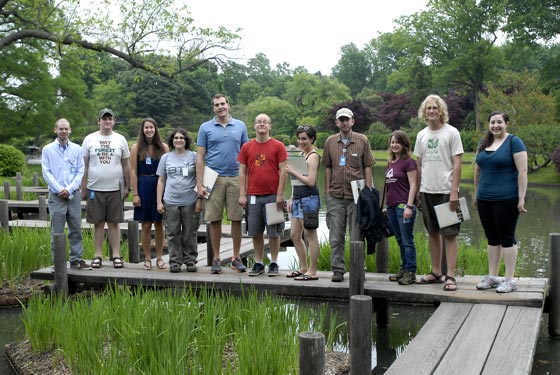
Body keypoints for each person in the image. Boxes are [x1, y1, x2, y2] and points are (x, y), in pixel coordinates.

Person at [414, 95, 464, 291]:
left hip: (446, 191)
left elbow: (458, 162)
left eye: (435, 108)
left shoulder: (452, 133)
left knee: (450, 234)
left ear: (441, 110)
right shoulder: (421, 135)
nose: (432, 111)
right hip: (427, 190)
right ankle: (436, 272)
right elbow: (419, 164)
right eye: (428, 109)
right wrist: (418, 190)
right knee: (432, 233)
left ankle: (450, 276)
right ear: (424, 112)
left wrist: (454, 191)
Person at [474, 111, 528, 293]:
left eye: (499, 122)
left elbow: (523, 172)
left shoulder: (514, 142)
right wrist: (476, 193)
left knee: (507, 238)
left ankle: (510, 279)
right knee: (492, 238)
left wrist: (521, 198)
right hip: (484, 199)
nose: (495, 125)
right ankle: (493, 277)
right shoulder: (484, 143)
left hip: (506, 199)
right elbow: (477, 170)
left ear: (506, 123)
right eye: (492, 122)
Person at [196, 94, 249, 274]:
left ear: (229, 105)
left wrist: (246, 185)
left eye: (223, 104)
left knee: (236, 218)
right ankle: (216, 258)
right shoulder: (205, 128)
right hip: (213, 178)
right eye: (217, 105)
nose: (220, 107)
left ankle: (236, 257)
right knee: (215, 219)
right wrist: (200, 184)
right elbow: (200, 157)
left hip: (235, 177)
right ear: (213, 108)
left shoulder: (240, 126)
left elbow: (246, 156)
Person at [322, 107, 375, 282]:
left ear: (352, 121)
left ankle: (358, 269)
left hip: (357, 196)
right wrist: (327, 190)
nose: (344, 123)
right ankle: (338, 269)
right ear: (336, 122)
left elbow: (367, 166)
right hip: (336, 195)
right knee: (336, 236)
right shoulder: (330, 142)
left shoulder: (362, 140)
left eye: (347, 119)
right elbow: (327, 167)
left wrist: (368, 191)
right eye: (341, 120)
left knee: (356, 236)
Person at [238, 113, 288, 277]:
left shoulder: (278, 146)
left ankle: (273, 262)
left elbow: (283, 172)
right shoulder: (247, 147)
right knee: (256, 231)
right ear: (254, 126)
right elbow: (242, 172)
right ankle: (259, 262)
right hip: (253, 196)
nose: (261, 124)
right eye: (258, 121)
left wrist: (280, 194)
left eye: (265, 122)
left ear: (270, 126)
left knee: (274, 231)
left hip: (273, 196)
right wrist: (242, 194)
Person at [81, 108, 131, 269]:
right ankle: (98, 255)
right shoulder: (89, 139)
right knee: (98, 223)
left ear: (114, 121)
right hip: (95, 187)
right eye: (104, 119)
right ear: (99, 121)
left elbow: (126, 165)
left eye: (110, 119)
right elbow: (85, 165)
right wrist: (83, 187)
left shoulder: (120, 139)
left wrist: (128, 186)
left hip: (115, 188)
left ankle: (116, 255)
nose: (107, 122)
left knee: (114, 223)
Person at [41, 118, 89, 269]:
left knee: (75, 227)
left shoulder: (76, 149)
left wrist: (69, 189)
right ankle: (58, 262)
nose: (63, 131)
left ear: (70, 130)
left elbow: (81, 170)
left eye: (66, 129)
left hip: (73, 194)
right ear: (55, 130)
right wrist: (59, 189)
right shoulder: (47, 149)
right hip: (56, 196)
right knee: (57, 230)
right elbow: (46, 172)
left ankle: (76, 259)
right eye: (61, 129)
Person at [156, 128, 203, 273]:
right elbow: (161, 180)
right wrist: (159, 201)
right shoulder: (166, 158)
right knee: (172, 232)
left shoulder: (194, 156)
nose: (178, 140)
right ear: (172, 141)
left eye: (181, 138)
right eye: (176, 138)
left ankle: (190, 260)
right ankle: (175, 261)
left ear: (186, 140)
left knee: (190, 232)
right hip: (170, 200)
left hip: (190, 200)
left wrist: (200, 200)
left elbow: (200, 179)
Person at [130, 118, 169, 270]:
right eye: (146, 128)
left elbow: (168, 169)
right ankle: (147, 258)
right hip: (144, 186)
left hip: (160, 186)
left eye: (151, 127)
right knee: (145, 225)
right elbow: (132, 171)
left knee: (159, 224)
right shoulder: (136, 147)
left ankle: (159, 257)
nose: (149, 130)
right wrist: (135, 194)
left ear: (155, 129)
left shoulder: (163, 147)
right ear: (142, 129)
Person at [285, 125, 321, 281]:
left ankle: (312, 271)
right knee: (294, 235)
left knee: (310, 235)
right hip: (298, 198)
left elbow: (311, 181)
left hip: (310, 199)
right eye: (299, 138)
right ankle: (303, 267)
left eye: (304, 139)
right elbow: (296, 182)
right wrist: (291, 198)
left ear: (312, 139)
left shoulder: (313, 156)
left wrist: (292, 171)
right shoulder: (300, 154)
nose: (301, 141)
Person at [384, 130, 418, 285]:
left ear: (404, 144)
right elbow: (389, 186)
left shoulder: (409, 162)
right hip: (391, 207)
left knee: (407, 240)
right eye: (392, 142)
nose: (394, 145)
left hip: (403, 206)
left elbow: (413, 185)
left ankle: (411, 272)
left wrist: (409, 206)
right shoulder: (391, 162)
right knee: (399, 240)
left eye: (397, 142)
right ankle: (404, 268)